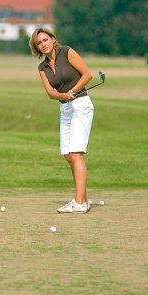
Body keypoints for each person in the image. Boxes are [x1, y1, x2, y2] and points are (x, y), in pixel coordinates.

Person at [30, 27, 95, 213]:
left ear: (53, 38)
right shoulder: (42, 67)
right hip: (65, 108)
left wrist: (72, 93)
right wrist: (62, 96)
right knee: (68, 155)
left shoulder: (66, 52)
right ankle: (83, 198)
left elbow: (87, 75)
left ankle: (79, 203)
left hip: (81, 104)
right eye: (39, 43)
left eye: (45, 40)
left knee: (76, 154)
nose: (43, 44)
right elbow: (50, 92)